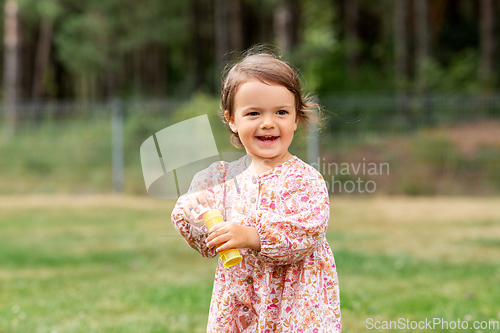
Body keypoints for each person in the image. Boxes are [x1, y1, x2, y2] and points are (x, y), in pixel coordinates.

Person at [171, 48, 341, 332]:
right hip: (239, 305)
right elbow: (206, 239)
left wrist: (253, 235)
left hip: (293, 305)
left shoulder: (305, 179)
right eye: (253, 113)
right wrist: (193, 212)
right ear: (232, 120)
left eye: (281, 112)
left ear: (296, 119)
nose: (268, 122)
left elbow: (306, 230)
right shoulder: (222, 178)